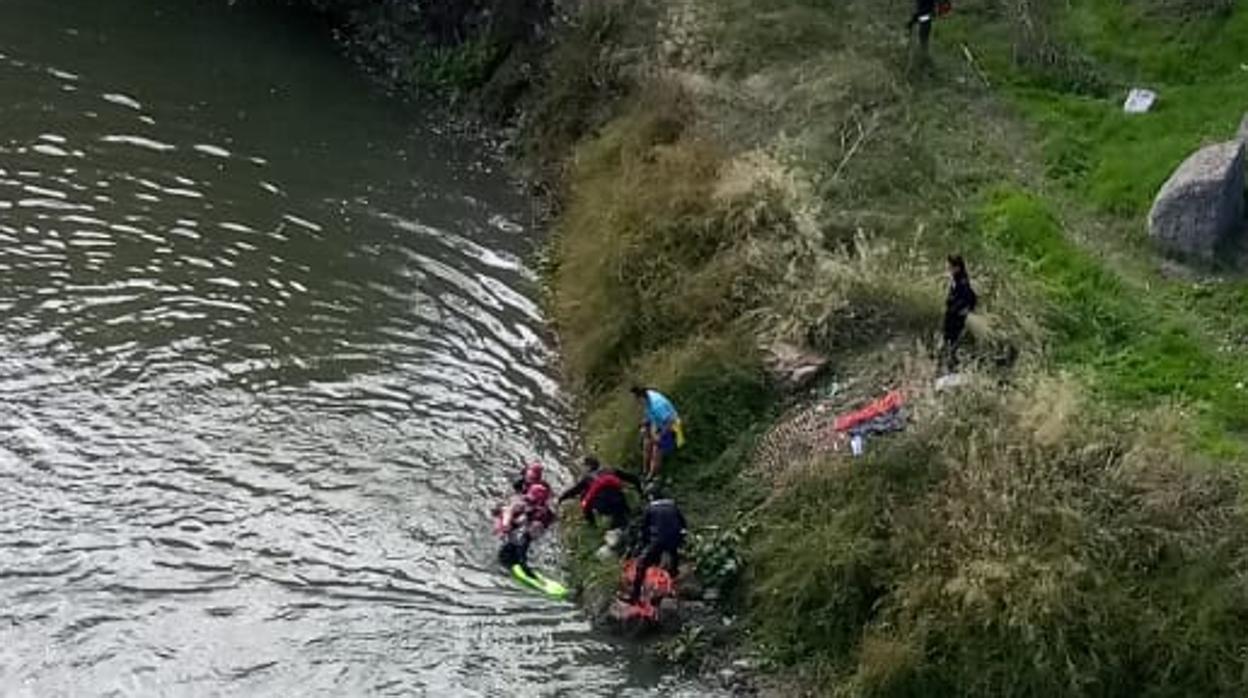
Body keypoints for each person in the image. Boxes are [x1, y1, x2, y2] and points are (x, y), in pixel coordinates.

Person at [627, 484, 687, 604]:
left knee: (642, 564)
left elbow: (644, 529)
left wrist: (642, 546)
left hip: (658, 540)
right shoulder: (673, 505)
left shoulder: (650, 508)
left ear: (651, 496)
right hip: (675, 539)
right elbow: (683, 523)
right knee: (673, 559)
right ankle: (673, 582)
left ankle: (635, 596)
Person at [557, 456, 643, 531]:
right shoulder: (610, 470)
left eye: (583, 466)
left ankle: (593, 526)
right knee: (615, 496)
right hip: (620, 501)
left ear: (588, 467)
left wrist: (560, 499)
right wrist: (641, 492)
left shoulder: (587, 479)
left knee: (584, 496)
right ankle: (625, 513)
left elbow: (573, 491)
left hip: (605, 507)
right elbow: (633, 478)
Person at [497, 482, 555, 578]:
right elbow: (522, 560)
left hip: (513, 540)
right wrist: (531, 574)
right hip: (507, 555)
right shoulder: (524, 536)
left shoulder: (539, 513)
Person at [630, 386, 684, 478]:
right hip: (659, 423)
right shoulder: (647, 396)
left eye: (637, 400)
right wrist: (645, 426)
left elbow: (669, 422)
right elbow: (650, 417)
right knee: (647, 440)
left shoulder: (657, 405)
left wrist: (658, 436)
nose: (637, 403)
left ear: (641, 398)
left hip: (673, 427)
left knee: (656, 448)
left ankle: (652, 475)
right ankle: (645, 470)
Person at [943, 254, 978, 372]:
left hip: (956, 319)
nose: (947, 268)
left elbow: (971, 298)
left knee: (952, 345)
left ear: (957, 267)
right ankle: (952, 367)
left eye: (950, 266)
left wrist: (959, 309)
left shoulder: (962, 282)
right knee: (949, 344)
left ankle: (955, 369)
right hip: (953, 318)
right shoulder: (957, 279)